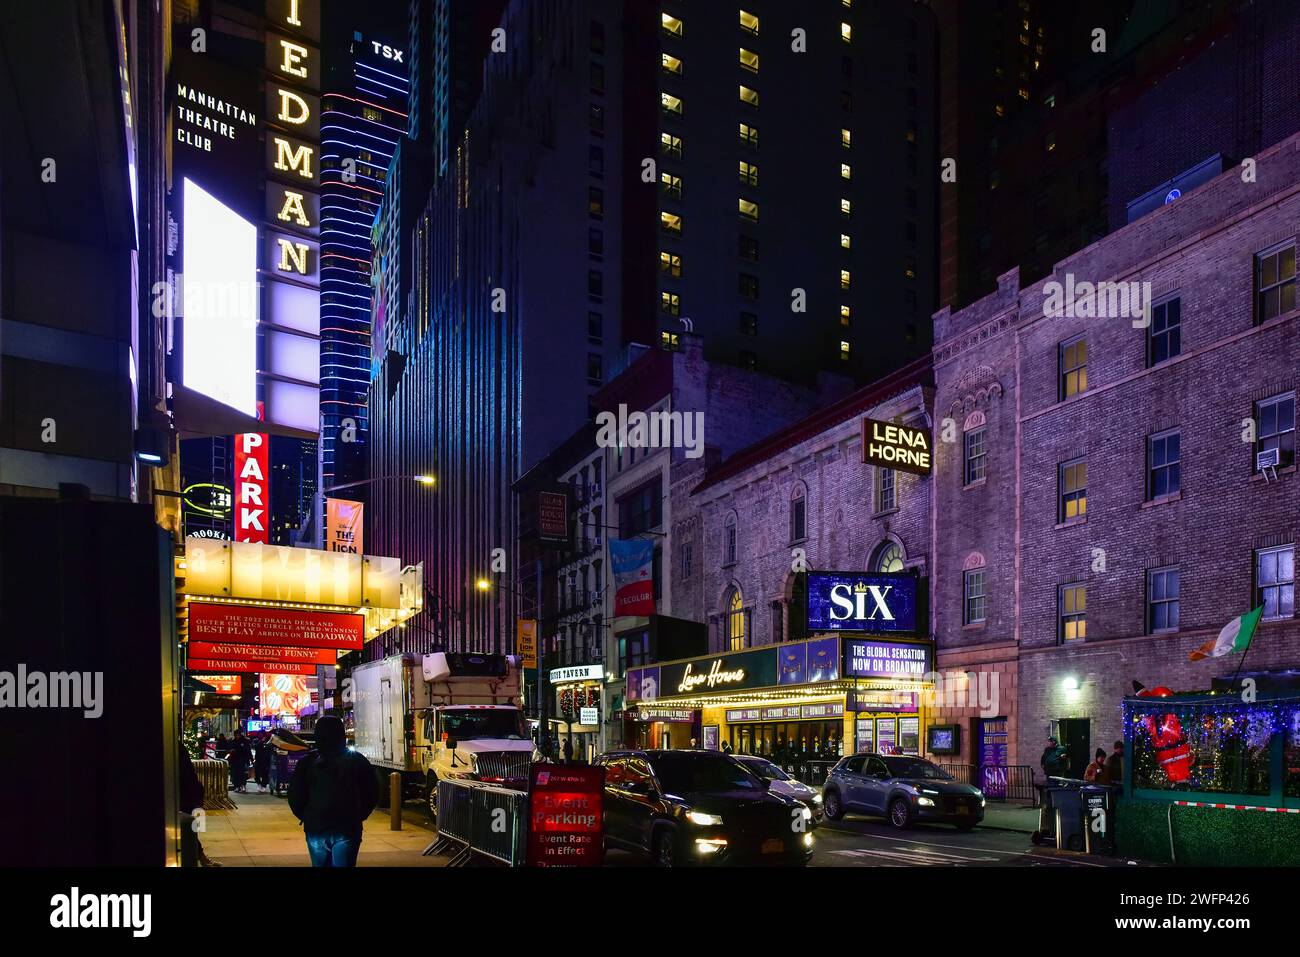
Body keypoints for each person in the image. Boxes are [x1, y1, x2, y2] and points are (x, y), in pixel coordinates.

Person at [287, 716, 377, 867]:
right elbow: (372, 792)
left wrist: (307, 816)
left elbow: (295, 795)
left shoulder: (307, 762)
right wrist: (359, 815)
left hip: (316, 826)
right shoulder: (356, 760)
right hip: (347, 825)